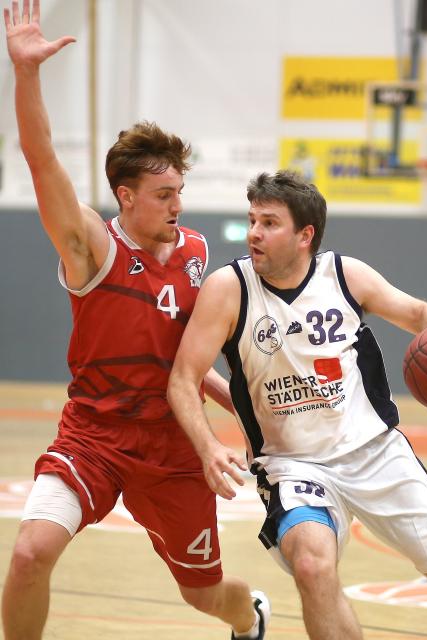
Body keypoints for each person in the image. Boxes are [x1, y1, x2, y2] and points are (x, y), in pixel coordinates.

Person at [1, 2, 270, 639]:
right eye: (164, 195)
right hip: (93, 436)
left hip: (173, 447)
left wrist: (252, 415)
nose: (179, 205)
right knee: (30, 554)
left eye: (180, 192)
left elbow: (187, 366)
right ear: (127, 197)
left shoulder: (198, 254)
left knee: (205, 595)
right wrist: (27, 74)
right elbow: (42, 161)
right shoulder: (91, 247)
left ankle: (250, 615)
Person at [167, 169, 427, 640]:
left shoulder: (343, 274)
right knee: (312, 567)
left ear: (304, 235)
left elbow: (420, 313)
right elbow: (182, 378)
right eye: (252, 220)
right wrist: (209, 445)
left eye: (269, 223)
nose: (254, 233)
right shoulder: (228, 289)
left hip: (375, 452)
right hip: (293, 465)